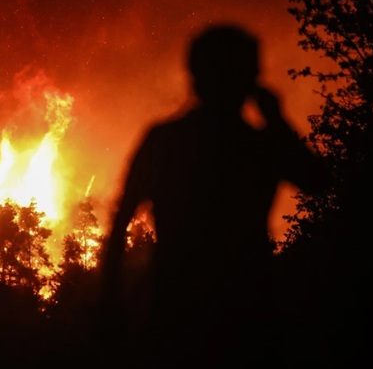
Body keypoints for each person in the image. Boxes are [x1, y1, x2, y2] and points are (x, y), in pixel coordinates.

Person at [98, 23, 331, 367]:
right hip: (248, 320)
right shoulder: (258, 145)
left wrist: (109, 303)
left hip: (178, 317)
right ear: (250, 79)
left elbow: (119, 226)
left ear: (193, 76)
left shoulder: (165, 140)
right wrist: (277, 121)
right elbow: (320, 183)